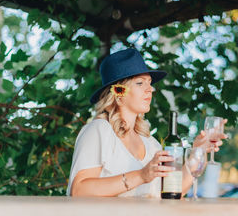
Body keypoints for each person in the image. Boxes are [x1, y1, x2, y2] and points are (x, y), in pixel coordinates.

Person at [67, 48, 226, 197]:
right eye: (140, 83)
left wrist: (198, 152)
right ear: (118, 92)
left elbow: (175, 191)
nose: (150, 89)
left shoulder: (150, 143)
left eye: (149, 83)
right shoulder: (98, 131)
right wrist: (141, 175)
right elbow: (79, 190)